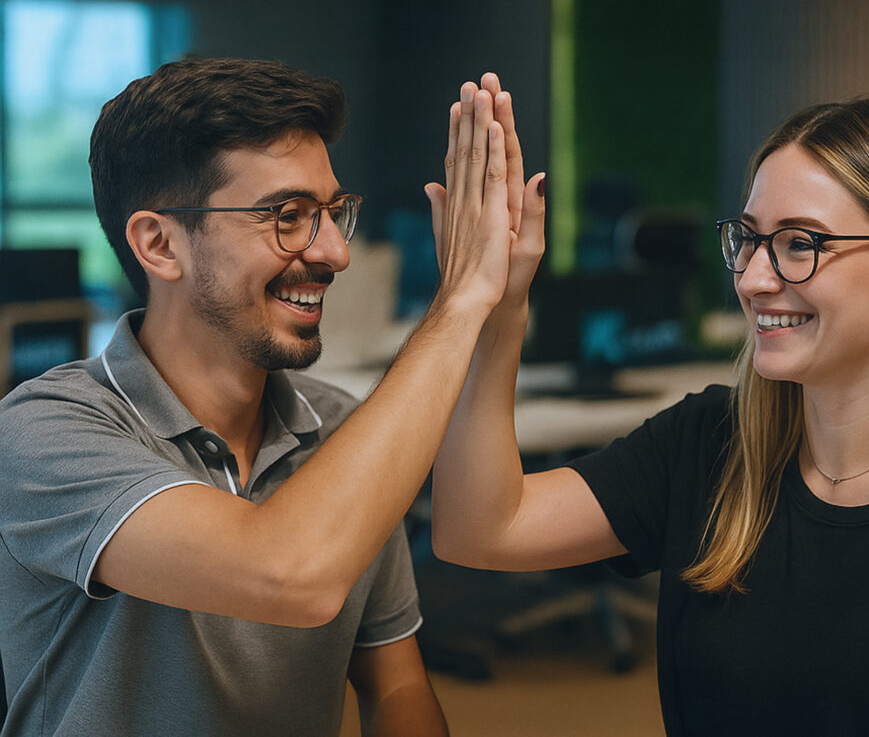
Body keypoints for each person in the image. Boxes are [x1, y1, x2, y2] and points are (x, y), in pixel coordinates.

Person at [430, 94, 869, 734]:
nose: (751, 279)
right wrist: (492, 310)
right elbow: (478, 531)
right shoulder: (712, 441)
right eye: (749, 239)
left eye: (800, 243)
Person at [0, 58, 540, 735]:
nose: (334, 253)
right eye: (288, 216)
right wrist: (459, 301)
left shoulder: (344, 430)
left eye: (332, 213)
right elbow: (287, 574)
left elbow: (395, 682)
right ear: (160, 245)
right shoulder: (41, 432)